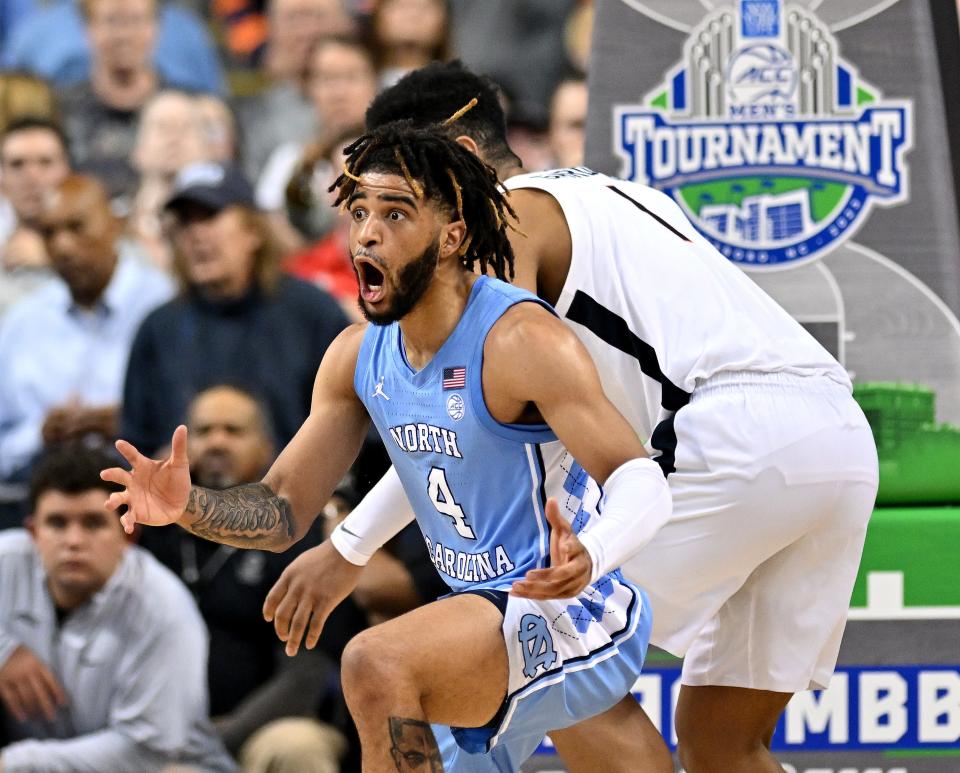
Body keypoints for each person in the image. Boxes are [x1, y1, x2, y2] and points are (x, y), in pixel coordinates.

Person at [271, 61, 881, 773]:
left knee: (545, 635)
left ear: (462, 163)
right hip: (835, 440)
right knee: (723, 740)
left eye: (403, 195)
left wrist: (347, 547)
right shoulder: (602, 190)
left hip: (727, 436)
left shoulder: (502, 218)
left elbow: (454, 422)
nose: (380, 221)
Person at [102, 123, 675, 772]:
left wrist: (592, 554)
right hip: (475, 611)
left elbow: (641, 478)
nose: (367, 233)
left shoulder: (519, 339)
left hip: (567, 606)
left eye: (395, 213)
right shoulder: (356, 355)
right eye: (358, 213)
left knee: (376, 662)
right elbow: (283, 509)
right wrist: (189, 505)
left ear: (453, 234)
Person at [137, 383, 364, 767]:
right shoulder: (155, 536)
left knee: (298, 748)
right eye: (205, 432)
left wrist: (216, 741)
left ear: (268, 449)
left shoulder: (297, 534)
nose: (217, 442)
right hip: (167, 730)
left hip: (268, 726)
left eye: (234, 430)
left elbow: (306, 674)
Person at [0, 444, 236, 771]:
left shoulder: (165, 607)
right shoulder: (7, 560)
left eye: (93, 523)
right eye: (57, 523)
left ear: (128, 534)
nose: (74, 541)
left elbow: (146, 751)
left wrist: (14, 763)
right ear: (33, 532)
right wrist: (4, 649)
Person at [120, 160, 349, 456]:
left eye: (210, 216)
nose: (196, 234)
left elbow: (354, 428)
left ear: (253, 231)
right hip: (188, 500)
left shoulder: (312, 314)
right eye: (185, 222)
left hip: (296, 498)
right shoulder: (158, 329)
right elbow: (136, 444)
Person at [0, 174, 173, 524]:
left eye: (77, 227)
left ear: (115, 226)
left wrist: (131, 423)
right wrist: (39, 432)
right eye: (49, 232)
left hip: (147, 505)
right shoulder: (23, 321)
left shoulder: (162, 306)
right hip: (35, 502)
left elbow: (192, 421)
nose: (62, 246)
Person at [0, 117, 71, 312]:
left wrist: (56, 261)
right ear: (1, 178)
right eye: (17, 164)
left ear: (68, 170)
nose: (31, 177)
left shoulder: (101, 239)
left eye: (45, 163)